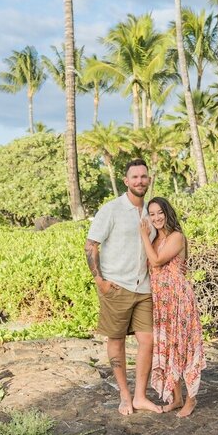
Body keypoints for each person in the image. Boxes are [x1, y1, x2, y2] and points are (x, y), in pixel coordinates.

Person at [85, 160, 162, 416]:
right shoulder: (111, 210)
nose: (140, 181)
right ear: (126, 181)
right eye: (135, 177)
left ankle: (140, 396)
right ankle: (124, 395)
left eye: (144, 176)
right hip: (116, 286)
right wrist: (100, 282)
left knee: (147, 340)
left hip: (144, 288)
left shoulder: (151, 212)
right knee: (116, 340)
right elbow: (90, 246)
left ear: (148, 180)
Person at [138, 197, 206, 418]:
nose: (156, 218)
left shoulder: (177, 237)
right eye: (152, 214)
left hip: (179, 299)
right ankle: (176, 398)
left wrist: (143, 236)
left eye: (160, 213)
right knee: (168, 347)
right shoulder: (155, 238)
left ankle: (191, 399)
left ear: (167, 213)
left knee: (183, 347)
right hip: (161, 301)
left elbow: (156, 262)